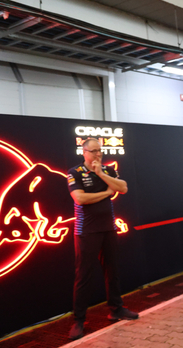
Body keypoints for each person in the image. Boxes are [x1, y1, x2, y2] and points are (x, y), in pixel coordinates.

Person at [67, 138, 138, 340]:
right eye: (94, 151)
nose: (98, 154)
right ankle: (79, 320)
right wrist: (107, 192)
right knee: (84, 275)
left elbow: (123, 188)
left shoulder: (107, 170)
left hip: (108, 228)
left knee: (112, 270)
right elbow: (80, 198)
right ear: (84, 152)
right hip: (86, 230)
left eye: (100, 150)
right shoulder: (75, 172)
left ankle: (116, 309)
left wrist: (100, 174)